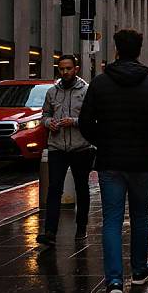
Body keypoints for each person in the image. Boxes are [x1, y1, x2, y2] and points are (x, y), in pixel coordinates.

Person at [79, 29, 148, 293]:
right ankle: (139, 270)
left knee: (112, 220)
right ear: (139, 51)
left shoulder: (99, 84)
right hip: (142, 162)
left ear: (116, 50)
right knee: (140, 216)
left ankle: (114, 280)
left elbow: (85, 123)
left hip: (110, 161)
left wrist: (103, 142)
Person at [36, 55, 94, 246]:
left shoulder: (86, 91)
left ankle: (81, 227)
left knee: (81, 188)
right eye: (61, 69)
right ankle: (50, 232)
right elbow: (45, 113)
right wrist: (48, 122)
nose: (65, 72)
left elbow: (92, 119)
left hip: (80, 147)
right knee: (54, 188)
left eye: (68, 68)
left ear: (75, 69)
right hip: (57, 147)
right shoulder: (52, 92)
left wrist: (74, 121)